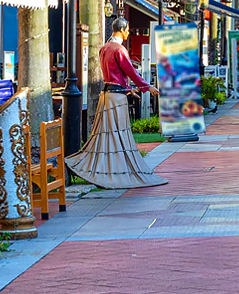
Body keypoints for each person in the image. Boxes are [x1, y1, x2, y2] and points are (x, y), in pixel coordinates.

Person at [65, 18, 167, 188]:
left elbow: (114, 76)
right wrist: (146, 87)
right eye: (127, 30)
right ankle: (115, 172)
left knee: (106, 135)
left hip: (107, 96)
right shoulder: (119, 49)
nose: (128, 33)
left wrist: (129, 89)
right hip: (116, 99)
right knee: (118, 134)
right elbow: (130, 71)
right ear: (122, 29)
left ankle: (103, 169)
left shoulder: (104, 48)